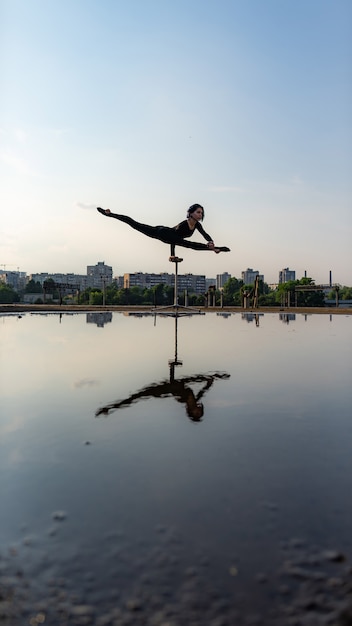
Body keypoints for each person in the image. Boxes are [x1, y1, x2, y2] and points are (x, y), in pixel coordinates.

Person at [97, 203, 230, 261]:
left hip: (171, 236)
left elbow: (205, 234)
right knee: (135, 224)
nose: (200, 214)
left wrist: (210, 241)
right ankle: (110, 214)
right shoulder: (184, 225)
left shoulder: (196, 225)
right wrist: (172, 255)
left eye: (202, 212)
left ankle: (215, 249)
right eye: (198, 212)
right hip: (162, 233)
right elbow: (175, 240)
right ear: (190, 213)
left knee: (188, 244)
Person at [95, 371, 230, 422]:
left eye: (197, 413)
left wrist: (209, 380)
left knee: (136, 397)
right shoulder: (193, 400)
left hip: (161, 390)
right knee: (135, 397)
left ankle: (110, 408)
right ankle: (111, 407)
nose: (199, 410)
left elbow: (195, 388)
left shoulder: (183, 399)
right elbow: (203, 390)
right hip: (165, 388)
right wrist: (211, 381)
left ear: (190, 411)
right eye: (199, 412)